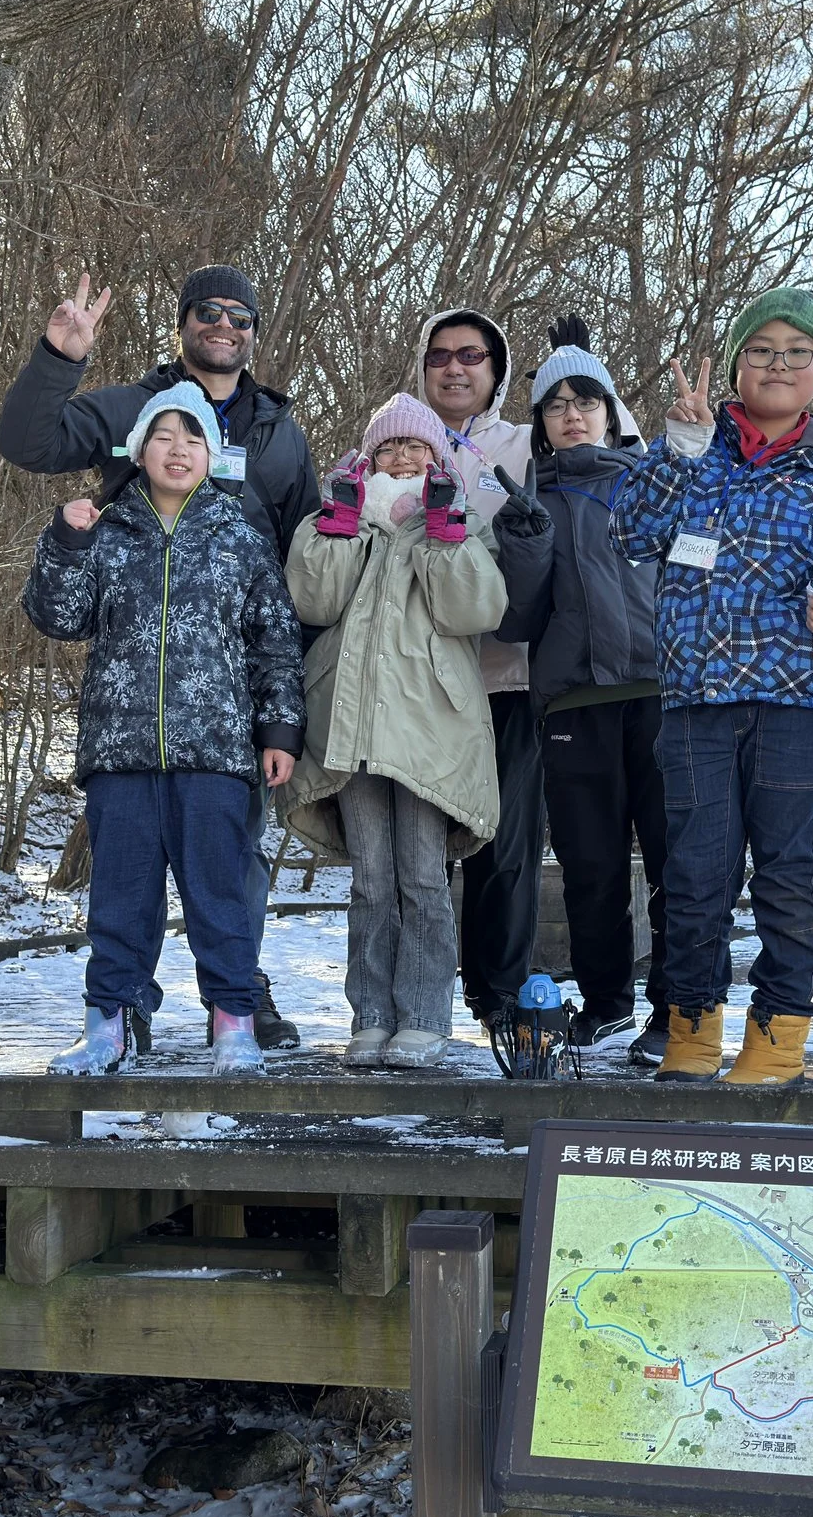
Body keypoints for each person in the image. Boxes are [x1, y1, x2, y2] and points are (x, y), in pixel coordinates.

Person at [0, 267, 317, 1050]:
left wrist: (282, 721)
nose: (224, 325)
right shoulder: (132, 408)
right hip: (130, 718)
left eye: (241, 315)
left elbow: (299, 576)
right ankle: (118, 1013)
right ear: (183, 323)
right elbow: (27, 442)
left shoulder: (278, 429)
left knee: (228, 876)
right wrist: (57, 356)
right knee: (124, 886)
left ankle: (238, 1004)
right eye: (208, 312)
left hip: (224, 714)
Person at [613, 289, 813, 1086]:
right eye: (762, 349)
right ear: (735, 366)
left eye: (798, 351)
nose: (779, 363)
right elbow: (628, 531)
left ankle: (779, 1036)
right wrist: (676, 448)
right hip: (695, 705)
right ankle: (691, 1031)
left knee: (792, 878)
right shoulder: (694, 451)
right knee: (695, 875)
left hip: (798, 705)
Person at [280, 394, 509, 1070]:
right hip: (350, 726)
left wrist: (445, 535)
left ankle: (426, 1015)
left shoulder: (461, 520)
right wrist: (339, 525)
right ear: (370, 457)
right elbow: (311, 599)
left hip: (431, 729)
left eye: (416, 448)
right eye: (389, 448)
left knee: (422, 873)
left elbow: (477, 608)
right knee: (371, 878)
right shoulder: (339, 518)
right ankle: (371, 1013)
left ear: (437, 458)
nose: (402, 458)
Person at [505, 316, 671, 1064]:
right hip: (571, 703)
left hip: (663, 695)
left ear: (610, 411)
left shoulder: (651, 481)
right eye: (556, 403)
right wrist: (527, 537)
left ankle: (681, 1006)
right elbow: (515, 617)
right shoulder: (524, 496)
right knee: (592, 867)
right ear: (539, 423)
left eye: (587, 399)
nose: (573, 413)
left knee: (679, 862)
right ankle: (606, 1001)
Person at [409, 308, 552, 1041]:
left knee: (506, 844)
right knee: (419, 848)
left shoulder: (528, 444)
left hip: (506, 678)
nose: (454, 368)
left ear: (496, 370)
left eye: (471, 355)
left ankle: (497, 994)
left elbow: (613, 446)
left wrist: (577, 372)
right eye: (440, 356)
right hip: (421, 683)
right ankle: (414, 1001)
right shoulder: (397, 443)